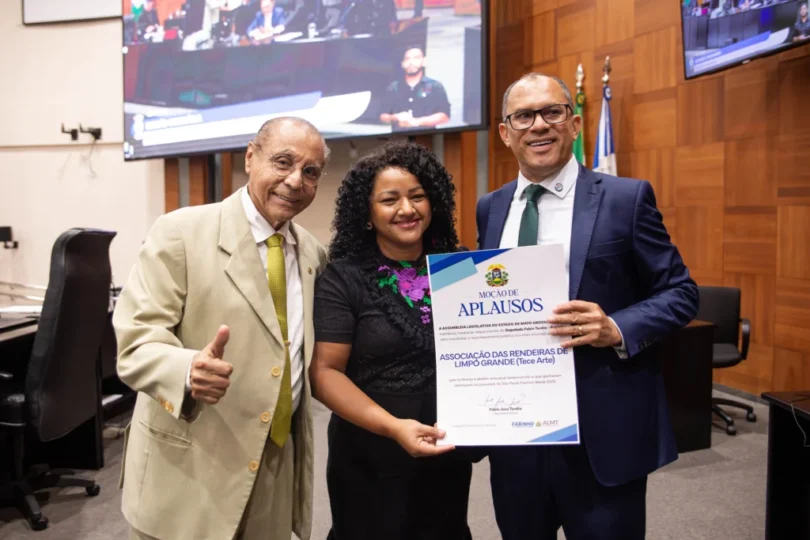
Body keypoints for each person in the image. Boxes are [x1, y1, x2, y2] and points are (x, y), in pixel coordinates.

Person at [476, 73, 699, 540]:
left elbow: (681, 293)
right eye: (523, 116)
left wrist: (616, 326)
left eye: (552, 112)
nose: (538, 125)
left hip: (601, 434)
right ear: (505, 132)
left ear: (574, 124)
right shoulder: (490, 208)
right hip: (518, 436)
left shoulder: (625, 199)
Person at [114, 117, 330, 540]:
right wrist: (186, 369)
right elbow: (136, 341)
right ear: (251, 157)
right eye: (282, 162)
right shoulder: (180, 232)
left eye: (310, 172)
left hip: (273, 465)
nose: (294, 180)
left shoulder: (312, 253)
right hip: (191, 470)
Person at [311, 141, 474, 540]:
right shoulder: (343, 277)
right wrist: (393, 427)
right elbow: (325, 372)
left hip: (445, 449)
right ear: (367, 214)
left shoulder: (460, 267)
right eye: (390, 199)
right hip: (369, 452)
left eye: (417, 196)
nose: (407, 209)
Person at [380, 45, 451, 132]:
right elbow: (382, 116)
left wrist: (417, 122)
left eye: (416, 58)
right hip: (399, 141)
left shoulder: (435, 86)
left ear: (424, 61)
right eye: (407, 58)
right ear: (402, 64)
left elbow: (445, 116)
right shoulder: (393, 87)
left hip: (427, 140)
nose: (411, 62)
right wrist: (396, 117)